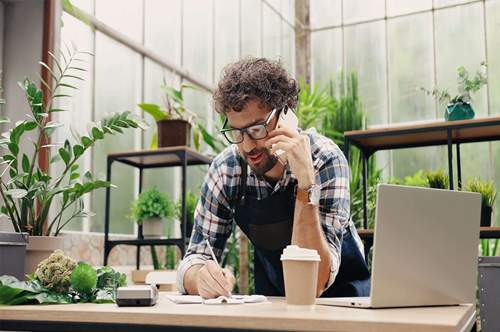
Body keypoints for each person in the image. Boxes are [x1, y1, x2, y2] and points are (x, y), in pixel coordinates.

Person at [176, 57, 370, 298]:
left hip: (343, 302)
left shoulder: (325, 160)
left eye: (257, 129)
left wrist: (306, 184)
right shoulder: (227, 169)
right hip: (276, 301)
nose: (247, 146)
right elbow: (194, 259)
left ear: (286, 110)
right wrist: (201, 279)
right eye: (237, 132)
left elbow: (315, 283)